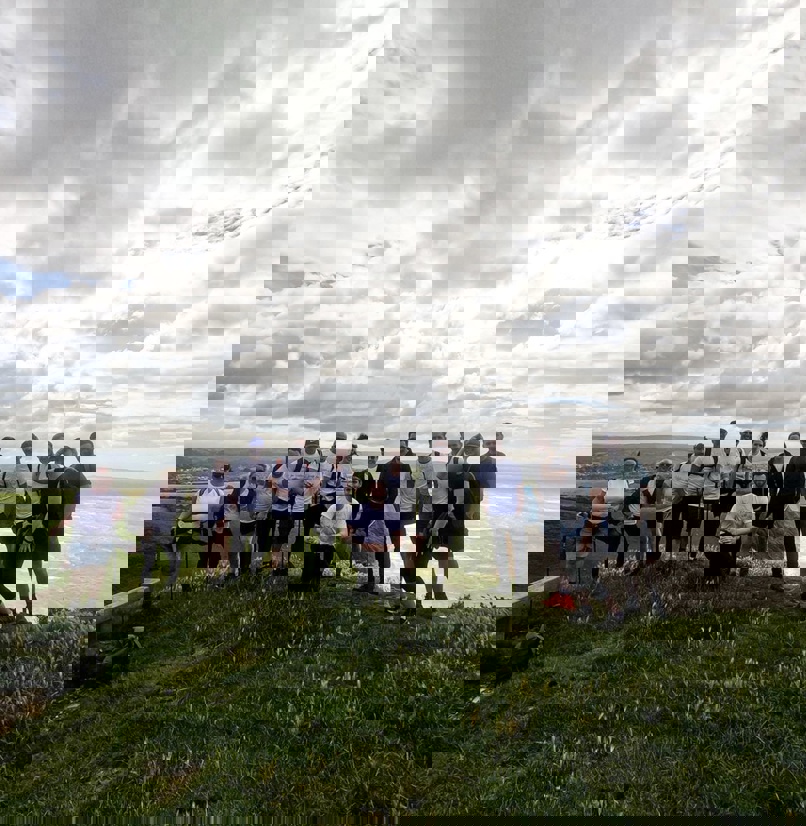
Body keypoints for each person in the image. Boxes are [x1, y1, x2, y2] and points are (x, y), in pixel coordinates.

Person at [347, 481, 401, 595]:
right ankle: (377, 584)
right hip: (380, 541)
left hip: (371, 541)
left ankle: (373, 584)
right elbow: (395, 528)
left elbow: (356, 524)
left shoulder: (365, 508)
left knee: (372, 562)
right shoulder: (389, 508)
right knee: (378, 562)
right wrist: (397, 543)